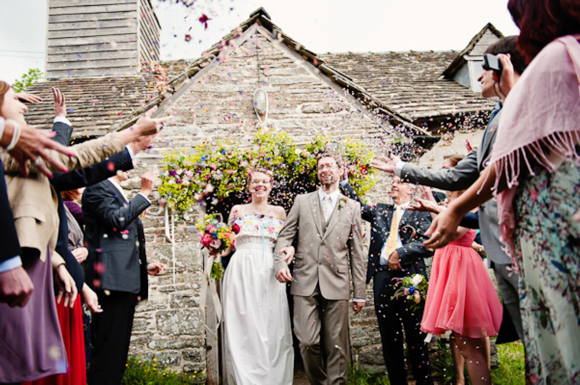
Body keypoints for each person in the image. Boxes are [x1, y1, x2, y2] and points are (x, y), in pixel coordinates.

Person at [423, 1, 580, 382]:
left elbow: (512, 159)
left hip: (553, 231)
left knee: (561, 339)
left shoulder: (556, 58)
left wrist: (457, 207)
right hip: (554, 226)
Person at [0, 80, 169, 384]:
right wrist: (130, 137)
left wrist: (58, 262)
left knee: (32, 365)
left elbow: (66, 167)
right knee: (17, 363)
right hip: (20, 264)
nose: (24, 105)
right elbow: (67, 162)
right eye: (16, 99)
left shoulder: (17, 152)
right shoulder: (9, 151)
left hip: (44, 266)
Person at [370, 36, 528, 346]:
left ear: (501, 67)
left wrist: (454, 209)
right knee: (529, 340)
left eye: (483, 68)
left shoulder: (523, 108)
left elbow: (499, 171)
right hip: (500, 246)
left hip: (521, 243)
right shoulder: (494, 120)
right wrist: (403, 168)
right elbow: (456, 175)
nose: (478, 76)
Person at [274, 153, 366, 385]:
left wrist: (360, 292)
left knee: (337, 343)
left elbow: (357, 252)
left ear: (339, 170)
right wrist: (280, 262)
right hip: (304, 279)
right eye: (320, 166)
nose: (324, 169)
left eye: (329, 165)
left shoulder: (352, 206)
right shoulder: (301, 201)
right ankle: (320, 382)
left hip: (337, 281)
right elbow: (285, 236)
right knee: (307, 341)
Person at [410, 164, 501, 385]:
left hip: (463, 267)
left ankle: (481, 378)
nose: (446, 177)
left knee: (473, 331)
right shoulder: (449, 205)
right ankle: (461, 379)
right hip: (447, 264)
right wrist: (430, 204)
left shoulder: (470, 203)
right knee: (458, 333)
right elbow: (437, 230)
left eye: (449, 172)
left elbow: (454, 232)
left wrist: (435, 208)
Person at [341, 174, 434, 385]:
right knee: (389, 336)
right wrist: (344, 183)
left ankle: (424, 382)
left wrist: (401, 253)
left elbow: (428, 243)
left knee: (415, 335)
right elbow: (358, 206)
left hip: (411, 277)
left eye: (399, 183)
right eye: (392, 182)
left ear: (410, 189)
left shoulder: (420, 211)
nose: (393, 185)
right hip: (382, 276)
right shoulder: (380, 210)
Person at [83, 169, 166, 385]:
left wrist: (143, 266)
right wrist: (144, 192)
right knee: (108, 352)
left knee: (116, 353)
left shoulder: (115, 192)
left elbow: (118, 242)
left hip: (122, 281)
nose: (129, 167)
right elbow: (116, 221)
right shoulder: (98, 187)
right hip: (111, 282)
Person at [222, 168, 294, 385]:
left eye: (264, 181)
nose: (260, 185)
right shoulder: (237, 210)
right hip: (242, 268)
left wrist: (291, 249)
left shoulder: (280, 212)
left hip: (270, 270)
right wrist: (214, 244)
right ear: (249, 186)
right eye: (255, 182)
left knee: (272, 323)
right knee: (243, 323)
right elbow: (228, 246)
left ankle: (274, 379)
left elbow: (288, 241)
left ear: (271, 185)